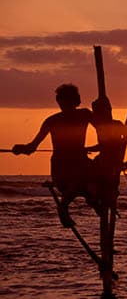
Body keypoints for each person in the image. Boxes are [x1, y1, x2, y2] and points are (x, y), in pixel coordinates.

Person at [12, 84, 94, 227]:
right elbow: (32, 147)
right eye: (62, 100)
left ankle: (82, 205)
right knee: (82, 185)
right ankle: (64, 207)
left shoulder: (83, 115)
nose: (63, 104)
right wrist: (20, 148)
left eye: (66, 100)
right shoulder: (56, 120)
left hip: (75, 164)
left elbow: (31, 148)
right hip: (64, 167)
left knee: (90, 187)